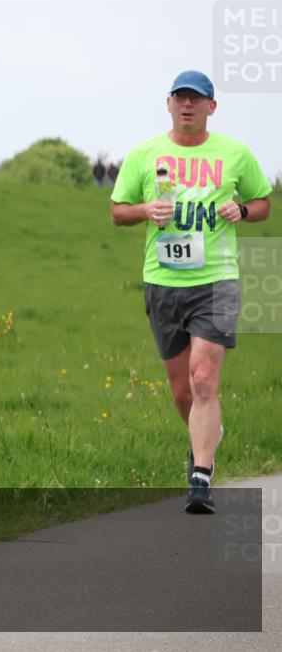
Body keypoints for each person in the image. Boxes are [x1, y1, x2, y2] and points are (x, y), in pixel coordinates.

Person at [111, 70, 271, 513]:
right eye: (180, 98)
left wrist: (240, 208)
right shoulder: (144, 154)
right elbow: (117, 212)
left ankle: (200, 475)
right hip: (163, 281)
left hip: (216, 280)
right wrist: (145, 209)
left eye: (196, 99)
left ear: (210, 108)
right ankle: (206, 435)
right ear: (168, 104)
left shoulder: (235, 153)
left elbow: (263, 203)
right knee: (182, 391)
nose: (187, 105)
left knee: (204, 379)